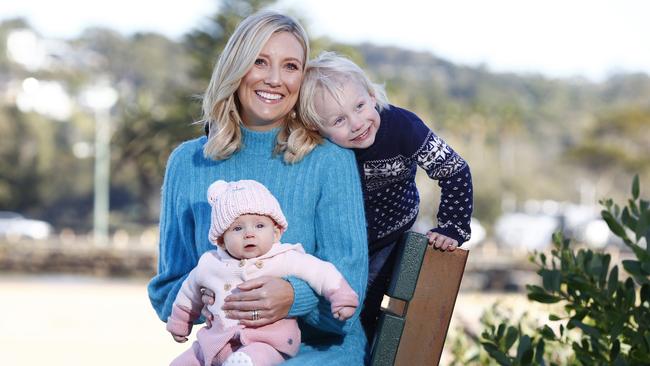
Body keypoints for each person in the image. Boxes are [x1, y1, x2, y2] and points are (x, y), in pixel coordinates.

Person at [147, 11, 369, 365]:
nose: (275, 79)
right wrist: (214, 294)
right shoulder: (187, 164)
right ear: (237, 67)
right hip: (222, 352)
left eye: (291, 66)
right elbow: (166, 291)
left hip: (318, 354)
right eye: (260, 61)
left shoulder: (329, 162)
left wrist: (292, 297)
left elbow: (350, 290)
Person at [299, 51, 474, 342]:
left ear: (371, 95)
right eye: (339, 120)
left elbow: (454, 170)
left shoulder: (402, 127)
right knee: (327, 306)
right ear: (317, 128)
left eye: (359, 106)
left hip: (391, 232)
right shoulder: (319, 150)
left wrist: (452, 227)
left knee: (363, 306)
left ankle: (359, 353)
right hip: (341, 240)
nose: (356, 123)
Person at [167, 179, 359, 366]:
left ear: (276, 233)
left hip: (267, 342)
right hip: (213, 343)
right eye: (237, 228)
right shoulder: (209, 264)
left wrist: (342, 296)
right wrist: (180, 323)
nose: (249, 233)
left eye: (259, 226)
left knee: (255, 357)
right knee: (185, 360)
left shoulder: (284, 258)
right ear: (222, 241)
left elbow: (320, 272)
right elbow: (188, 293)